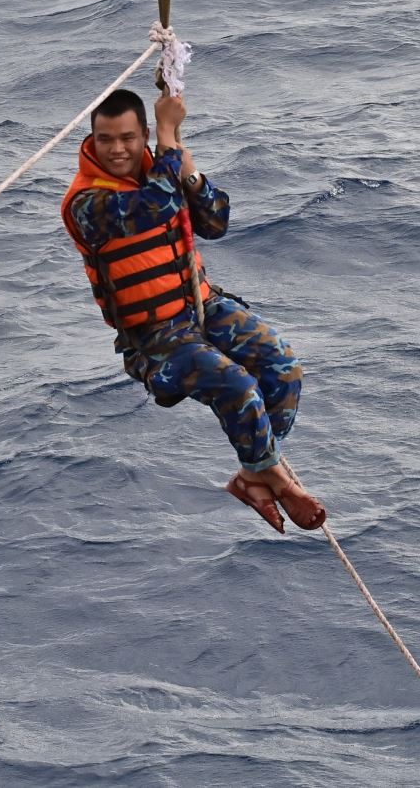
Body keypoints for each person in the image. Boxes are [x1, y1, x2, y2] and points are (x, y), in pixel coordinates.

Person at [60, 86, 326, 532]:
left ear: (142, 135)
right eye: (105, 139)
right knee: (238, 385)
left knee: (282, 365)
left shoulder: (162, 170)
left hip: (201, 306)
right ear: (92, 140)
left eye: (127, 138)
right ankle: (276, 477)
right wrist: (168, 137)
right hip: (155, 337)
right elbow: (153, 207)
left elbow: (216, 223)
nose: (117, 149)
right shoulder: (87, 202)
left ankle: (253, 474)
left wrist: (191, 175)